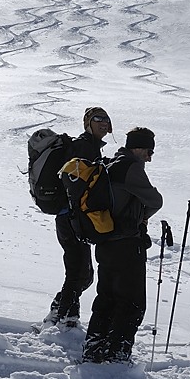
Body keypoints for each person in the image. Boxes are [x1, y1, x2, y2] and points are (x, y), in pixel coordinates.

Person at [82, 126, 164, 364]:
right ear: (137, 148)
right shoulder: (131, 167)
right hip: (127, 244)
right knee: (132, 302)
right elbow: (155, 200)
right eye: (149, 151)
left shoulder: (110, 164)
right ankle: (117, 355)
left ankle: (94, 349)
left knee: (107, 298)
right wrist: (142, 215)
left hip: (105, 241)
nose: (150, 157)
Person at [44, 106, 112, 328]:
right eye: (98, 119)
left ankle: (59, 313)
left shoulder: (90, 147)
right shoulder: (82, 146)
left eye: (106, 119)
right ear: (87, 123)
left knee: (84, 274)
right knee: (78, 272)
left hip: (72, 218)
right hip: (71, 218)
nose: (104, 123)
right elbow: (74, 183)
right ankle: (64, 320)